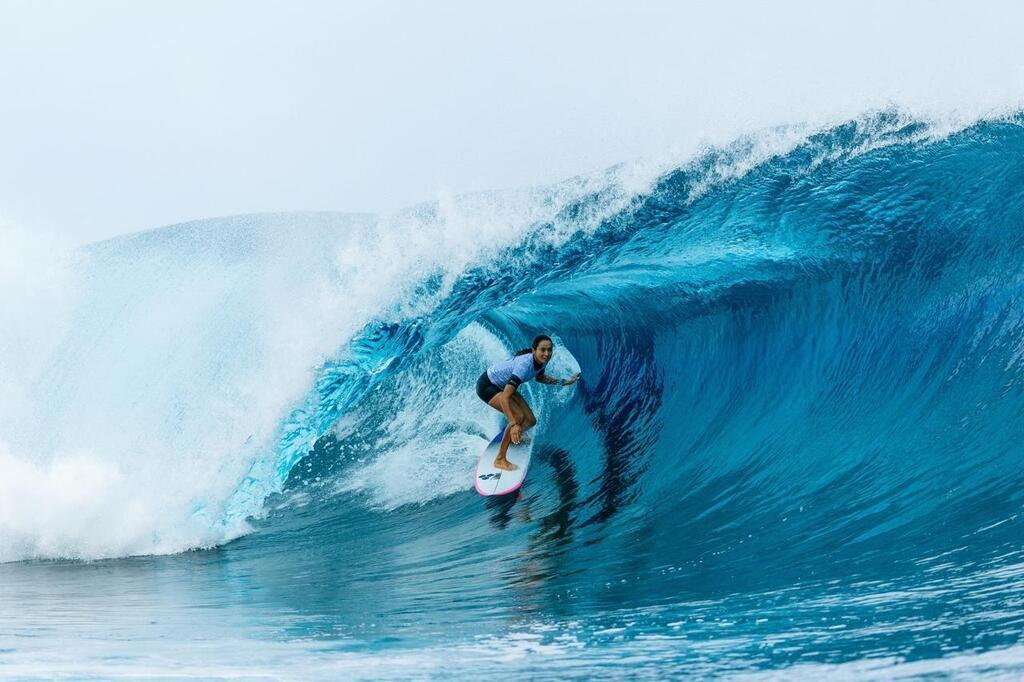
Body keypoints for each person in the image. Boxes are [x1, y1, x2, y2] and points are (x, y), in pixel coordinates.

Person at [475, 335, 580, 471]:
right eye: (543, 350)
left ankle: (511, 437)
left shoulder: (543, 360)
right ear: (534, 350)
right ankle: (500, 459)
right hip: (487, 385)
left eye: (549, 350)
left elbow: (540, 377)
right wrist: (513, 424)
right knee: (518, 418)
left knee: (530, 421)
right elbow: (505, 397)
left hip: (502, 385)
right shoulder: (524, 366)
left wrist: (564, 382)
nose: (547, 354)